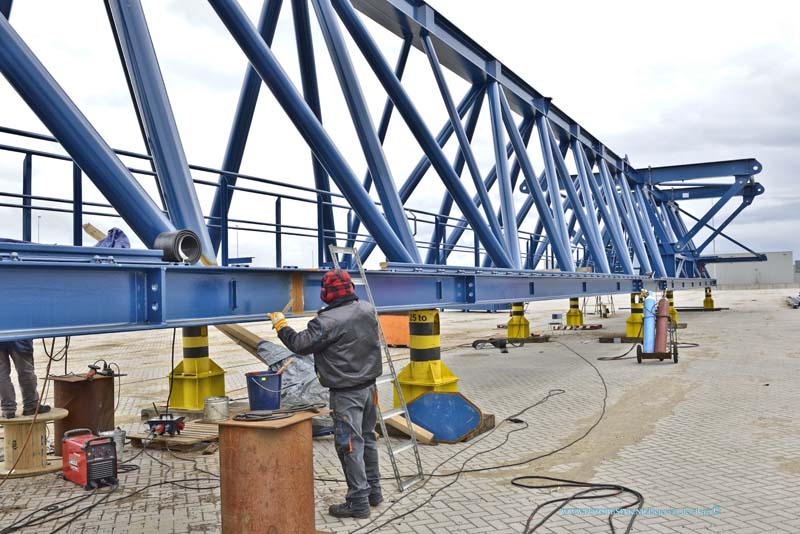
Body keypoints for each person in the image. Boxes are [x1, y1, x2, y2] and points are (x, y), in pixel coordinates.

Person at [269, 269, 382, 519]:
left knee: (349, 446)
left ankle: (358, 503)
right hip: (369, 388)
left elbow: (299, 344)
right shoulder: (366, 308)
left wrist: (281, 326)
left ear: (326, 293)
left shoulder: (325, 322)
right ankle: (374, 493)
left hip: (346, 393)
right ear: (351, 287)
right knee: (367, 439)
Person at [0, 339, 50, 418]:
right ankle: (31, 405)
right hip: (18, 336)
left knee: (1, 374)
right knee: (25, 371)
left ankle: (8, 410)